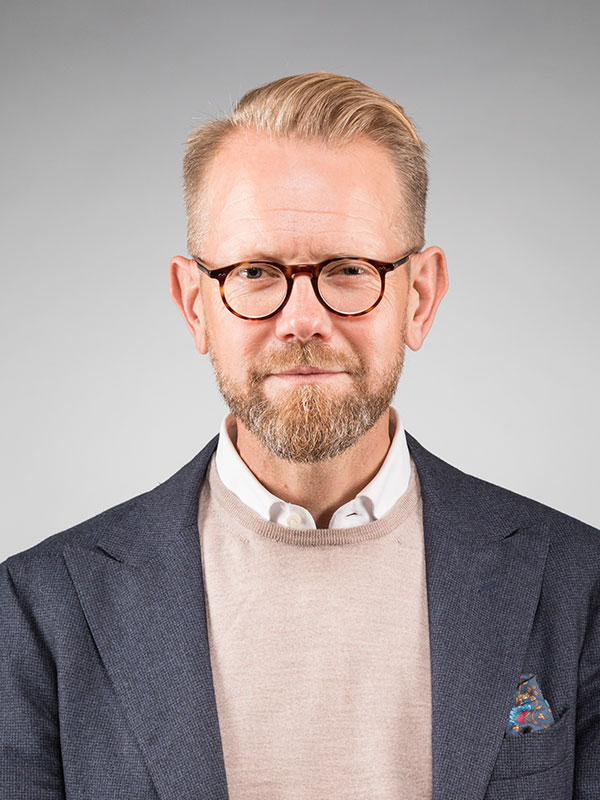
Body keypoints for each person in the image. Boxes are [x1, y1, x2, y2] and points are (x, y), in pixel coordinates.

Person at [1, 73, 598, 800]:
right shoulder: (40, 608)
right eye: (255, 271)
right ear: (195, 305)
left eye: (349, 269)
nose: (302, 320)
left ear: (420, 296)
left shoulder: (579, 586)